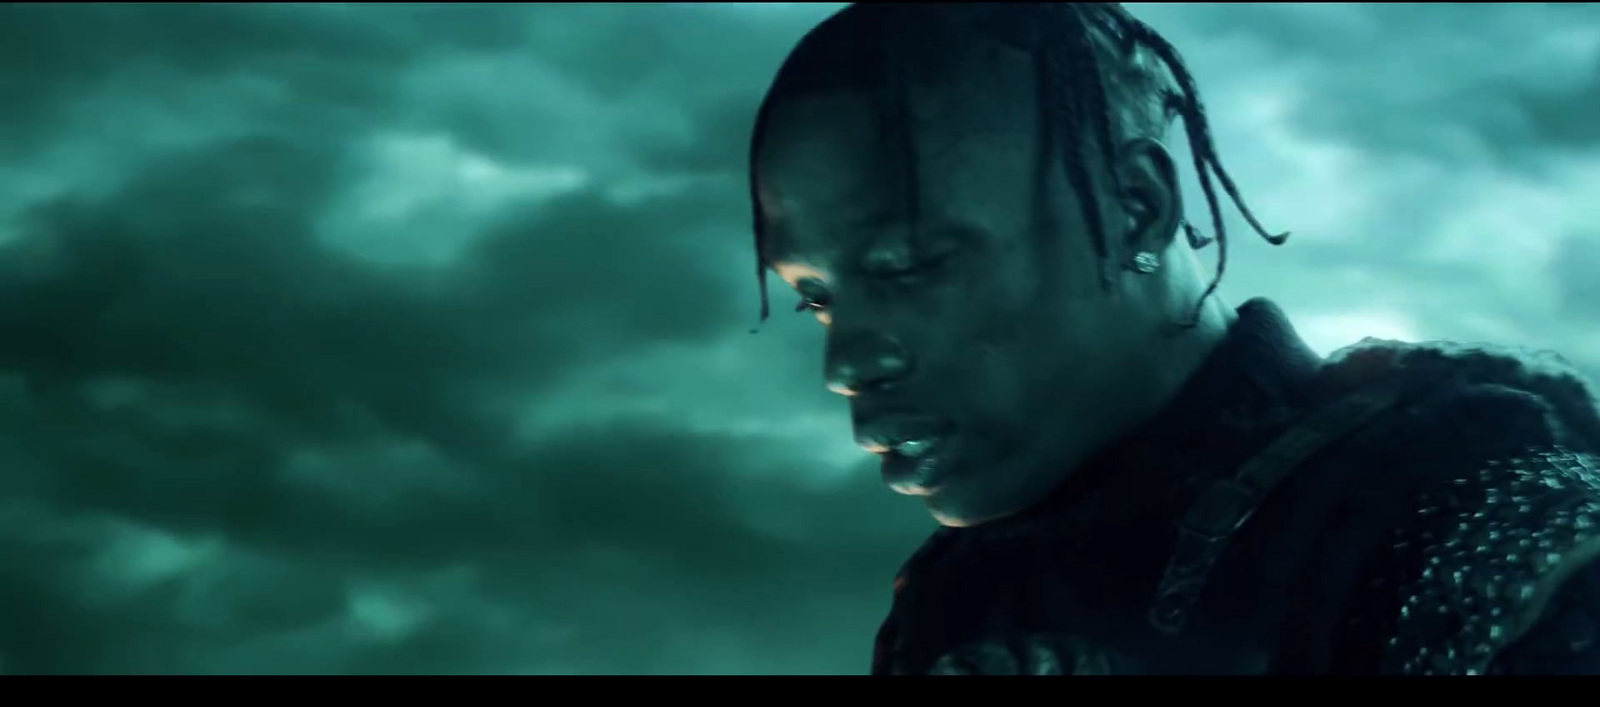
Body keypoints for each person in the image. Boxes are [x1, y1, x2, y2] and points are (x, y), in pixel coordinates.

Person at [745, 3, 1600, 675]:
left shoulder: (1463, 516)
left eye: (909, 264)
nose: (848, 361)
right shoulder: (955, 600)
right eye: (816, 298)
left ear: (1138, 208)